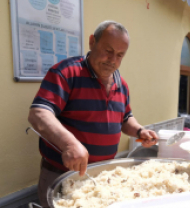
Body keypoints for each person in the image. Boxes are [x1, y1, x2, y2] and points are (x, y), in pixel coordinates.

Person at [28, 20, 158, 207]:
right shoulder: (67, 72)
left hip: (103, 176)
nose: (113, 60)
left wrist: (139, 131)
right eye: (108, 50)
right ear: (92, 42)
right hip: (61, 174)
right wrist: (69, 143)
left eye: (120, 55)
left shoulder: (121, 84)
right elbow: (38, 113)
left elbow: (125, 118)